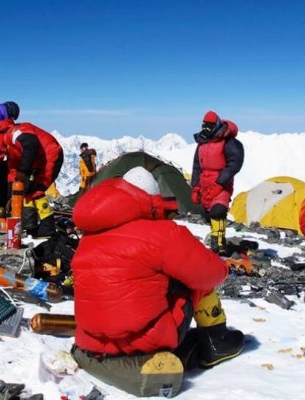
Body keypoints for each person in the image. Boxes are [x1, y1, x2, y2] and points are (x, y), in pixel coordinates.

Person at [70, 166, 244, 397]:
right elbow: (209, 273)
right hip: (144, 339)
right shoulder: (162, 234)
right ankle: (216, 342)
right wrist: (224, 266)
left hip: (91, 340)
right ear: (151, 199)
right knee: (194, 277)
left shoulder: (89, 236)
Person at [0, 118, 64, 237]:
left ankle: (47, 227)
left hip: (50, 155)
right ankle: (30, 226)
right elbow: (12, 171)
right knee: (25, 191)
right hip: (36, 161)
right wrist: (12, 194)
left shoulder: (13, 133)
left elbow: (31, 145)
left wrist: (23, 172)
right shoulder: (8, 147)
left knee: (37, 190)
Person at [190, 111, 244, 255]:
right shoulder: (202, 142)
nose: (206, 129)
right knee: (208, 215)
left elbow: (234, 164)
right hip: (204, 184)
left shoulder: (228, 141)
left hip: (222, 183)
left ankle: (218, 245)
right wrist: (195, 187)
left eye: (209, 126)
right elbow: (196, 166)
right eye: (204, 126)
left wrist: (220, 183)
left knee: (218, 211)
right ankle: (217, 239)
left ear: (217, 125)